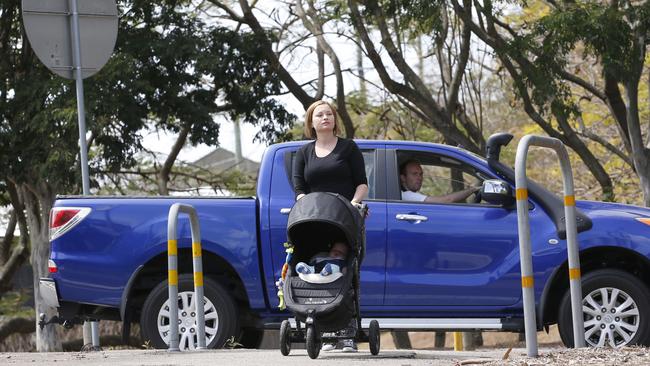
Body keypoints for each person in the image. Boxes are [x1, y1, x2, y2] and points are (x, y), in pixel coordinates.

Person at [292, 100, 367, 353]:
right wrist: (303, 205)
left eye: (329, 114)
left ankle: (346, 334)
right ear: (311, 122)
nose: (325, 117)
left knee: (345, 269)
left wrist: (354, 203)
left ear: (334, 120)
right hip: (315, 221)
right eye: (319, 115)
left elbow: (362, 184)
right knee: (314, 267)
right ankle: (324, 330)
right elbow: (300, 189)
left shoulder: (348, 149)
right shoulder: (304, 153)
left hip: (344, 219)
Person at [400, 159, 479, 203]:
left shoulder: (407, 195)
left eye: (420, 174)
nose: (419, 178)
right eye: (414, 174)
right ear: (403, 178)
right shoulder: (406, 195)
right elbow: (446, 200)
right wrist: (472, 190)